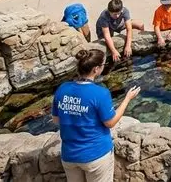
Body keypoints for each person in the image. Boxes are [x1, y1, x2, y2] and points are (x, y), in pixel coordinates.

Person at [53, 49, 140, 182]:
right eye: (103, 65)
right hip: (95, 154)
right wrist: (127, 99)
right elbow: (110, 123)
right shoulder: (100, 93)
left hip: (69, 155)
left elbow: (56, 119)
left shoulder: (62, 88)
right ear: (96, 69)